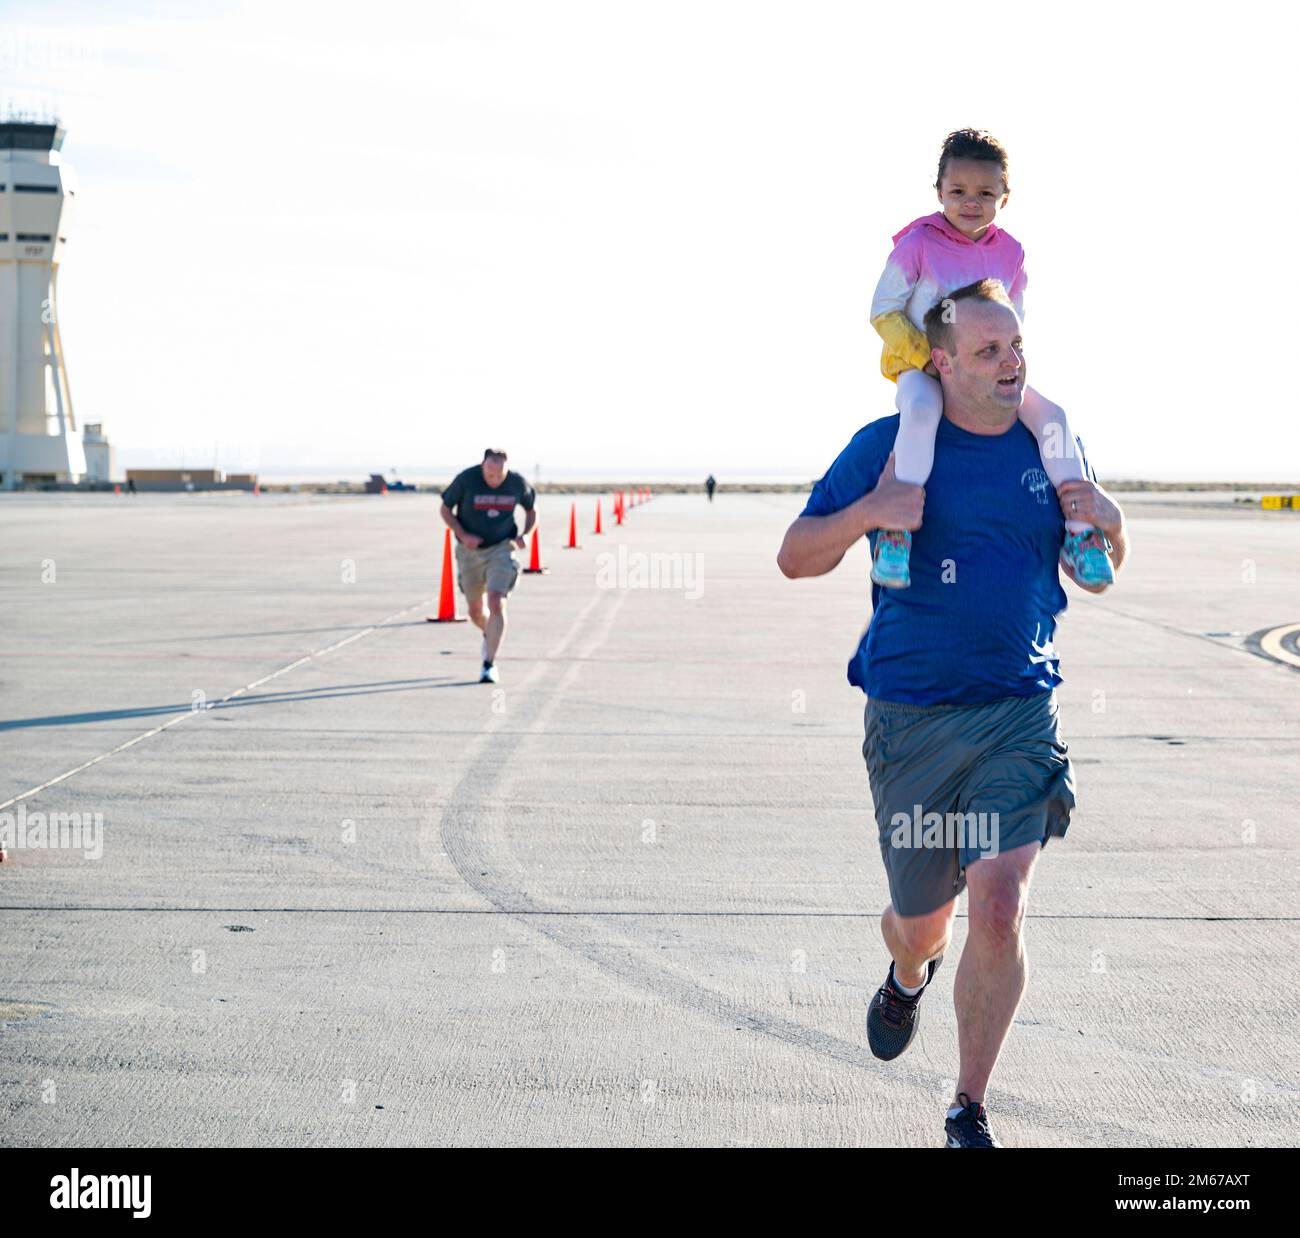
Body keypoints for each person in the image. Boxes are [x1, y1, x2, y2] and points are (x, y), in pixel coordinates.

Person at [777, 279, 1128, 1147]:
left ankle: (968, 1104)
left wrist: (1114, 525)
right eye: (989, 351)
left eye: (1016, 348)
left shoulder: (1052, 450)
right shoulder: (890, 447)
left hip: (1020, 713)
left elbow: (1096, 563)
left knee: (1000, 905)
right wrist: (869, 512)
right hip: (913, 723)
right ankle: (906, 973)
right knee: (922, 924)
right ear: (940, 362)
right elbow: (793, 556)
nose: (1012, 364)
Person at [867, 128, 1112, 591]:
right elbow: (882, 310)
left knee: (1054, 418)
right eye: (957, 191)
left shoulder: (1012, 252)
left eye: (985, 192)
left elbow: (1014, 322)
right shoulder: (918, 243)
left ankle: (1082, 536)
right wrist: (929, 361)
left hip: (987, 373)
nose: (970, 201)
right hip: (923, 368)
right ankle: (895, 534)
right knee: (920, 413)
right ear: (939, 190)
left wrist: (1011, 365)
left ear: (1005, 195)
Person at [439, 448, 536, 684]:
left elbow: (532, 510)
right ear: (483, 465)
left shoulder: (516, 483)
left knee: (496, 602)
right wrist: (462, 534)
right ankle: (488, 632)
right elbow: (445, 509)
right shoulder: (466, 479)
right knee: (475, 610)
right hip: (469, 551)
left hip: (502, 548)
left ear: (506, 468)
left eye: (499, 475)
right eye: (490, 474)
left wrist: (526, 534)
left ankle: (488, 664)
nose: (494, 480)